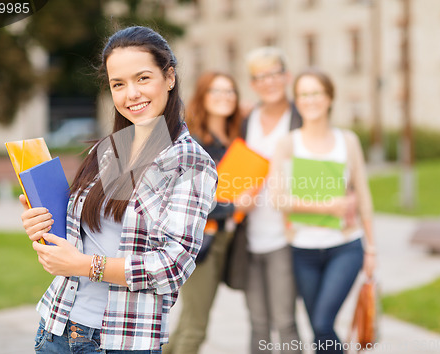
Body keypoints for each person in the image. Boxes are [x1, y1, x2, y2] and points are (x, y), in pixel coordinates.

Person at [19, 26, 218, 353]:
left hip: (121, 341)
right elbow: (91, 235)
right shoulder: (111, 149)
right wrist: (40, 222)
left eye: (142, 78)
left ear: (169, 77)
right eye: (118, 84)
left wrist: (84, 265)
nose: (131, 94)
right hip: (57, 327)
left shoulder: (189, 162)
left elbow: (172, 266)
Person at [269, 68, 376, 354]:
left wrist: (372, 249)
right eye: (303, 94)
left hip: (345, 247)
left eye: (316, 93)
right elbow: (277, 198)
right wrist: (327, 206)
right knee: (319, 330)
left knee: (323, 322)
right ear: (297, 100)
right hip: (303, 250)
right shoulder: (288, 143)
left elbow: (363, 196)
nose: (310, 100)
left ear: (329, 98)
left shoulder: (348, 141)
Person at [163, 71, 243, 354]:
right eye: (216, 91)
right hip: (201, 243)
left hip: (225, 240)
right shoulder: (194, 142)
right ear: (203, 96)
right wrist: (235, 205)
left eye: (230, 91)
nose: (225, 97)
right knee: (196, 327)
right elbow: (191, 201)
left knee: (188, 321)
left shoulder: (233, 138)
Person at [239, 46, 303, 354]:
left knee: (285, 320)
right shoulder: (247, 120)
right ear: (253, 84)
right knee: (258, 322)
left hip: (283, 237)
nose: (269, 82)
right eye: (260, 77)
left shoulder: (300, 118)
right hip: (249, 236)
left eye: (274, 74)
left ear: (286, 76)